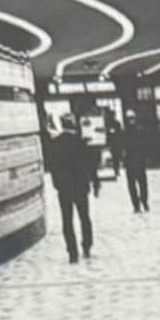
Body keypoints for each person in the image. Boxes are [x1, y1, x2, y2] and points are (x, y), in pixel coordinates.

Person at [44, 112, 95, 262]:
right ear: (72, 123)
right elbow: (88, 164)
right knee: (84, 217)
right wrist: (93, 181)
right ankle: (86, 246)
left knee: (67, 220)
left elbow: (52, 166)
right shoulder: (80, 142)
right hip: (80, 186)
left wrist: (57, 184)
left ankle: (72, 253)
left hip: (64, 188)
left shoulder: (55, 143)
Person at [122, 103, 154, 214]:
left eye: (132, 118)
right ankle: (139, 203)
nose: (131, 120)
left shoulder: (126, 132)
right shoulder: (138, 130)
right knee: (139, 184)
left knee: (137, 184)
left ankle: (141, 203)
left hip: (134, 160)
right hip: (136, 160)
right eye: (130, 118)